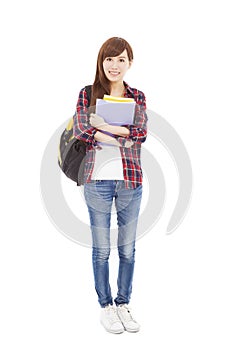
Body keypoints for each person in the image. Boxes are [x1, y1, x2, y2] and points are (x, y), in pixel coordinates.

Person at [73, 37, 148, 334]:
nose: (114, 65)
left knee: (127, 249)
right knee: (101, 249)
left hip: (130, 180)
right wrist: (120, 134)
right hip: (97, 182)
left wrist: (103, 126)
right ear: (101, 61)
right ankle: (106, 307)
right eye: (109, 59)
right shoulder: (87, 93)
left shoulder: (137, 96)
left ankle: (123, 304)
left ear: (130, 62)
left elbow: (139, 134)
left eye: (121, 59)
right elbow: (82, 130)